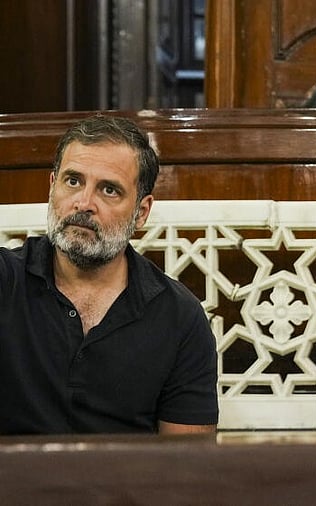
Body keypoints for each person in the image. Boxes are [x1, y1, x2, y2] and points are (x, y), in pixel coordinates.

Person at [0, 114, 218, 435]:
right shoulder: (6, 281)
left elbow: (186, 468)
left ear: (141, 212)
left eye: (109, 190)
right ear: (52, 186)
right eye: (73, 181)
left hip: (128, 484)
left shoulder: (180, 318)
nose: (84, 203)